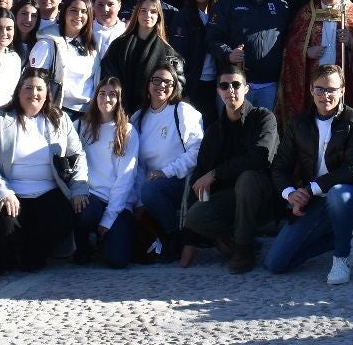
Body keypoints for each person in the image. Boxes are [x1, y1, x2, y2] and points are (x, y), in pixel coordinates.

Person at [0, 68, 89, 275]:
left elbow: (77, 154)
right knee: (4, 226)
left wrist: (79, 188)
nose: (34, 93)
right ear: (18, 92)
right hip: (9, 192)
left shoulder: (60, 119)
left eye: (39, 89)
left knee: (62, 216)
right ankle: (7, 256)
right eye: (28, 88)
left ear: (47, 94)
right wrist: (3, 191)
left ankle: (32, 254)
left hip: (48, 191)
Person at [265, 64, 353, 284]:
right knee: (276, 263)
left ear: (342, 90)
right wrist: (290, 194)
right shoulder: (298, 124)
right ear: (311, 90)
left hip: (350, 193)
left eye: (331, 89)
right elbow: (279, 166)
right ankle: (340, 235)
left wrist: (312, 188)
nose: (325, 95)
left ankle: (341, 258)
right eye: (320, 89)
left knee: (337, 194)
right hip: (314, 199)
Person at [180, 64, 278, 273]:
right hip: (229, 199)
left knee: (247, 178)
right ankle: (230, 237)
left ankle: (243, 248)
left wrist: (216, 174)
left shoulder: (263, 118)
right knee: (195, 215)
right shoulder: (214, 131)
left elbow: (260, 158)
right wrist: (190, 241)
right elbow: (200, 179)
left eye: (235, 84)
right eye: (224, 86)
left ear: (246, 88)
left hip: (264, 197)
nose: (230, 90)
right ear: (218, 91)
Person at [132, 63, 204, 262]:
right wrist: (138, 199)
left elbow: (196, 151)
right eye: (156, 80)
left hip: (181, 180)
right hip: (151, 186)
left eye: (167, 82)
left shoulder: (182, 111)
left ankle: (174, 235)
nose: (161, 85)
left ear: (174, 87)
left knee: (150, 190)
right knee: (145, 192)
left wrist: (166, 172)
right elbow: (136, 164)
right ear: (148, 84)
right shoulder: (138, 118)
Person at [206, 0, 291, 112]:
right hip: (234, 83)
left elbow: (291, 39)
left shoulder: (280, 6)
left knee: (263, 132)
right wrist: (228, 54)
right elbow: (212, 38)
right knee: (232, 131)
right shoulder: (227, 4)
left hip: (269, 84)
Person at [74, 78, 138, 268]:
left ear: (119, 99)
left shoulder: (127, 130)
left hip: (118, 202)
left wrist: (109, 218)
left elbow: (126, 177)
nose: (106, 99)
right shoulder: (80, 126)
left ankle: (105, 238)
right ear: (95, 96)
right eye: (102, 93)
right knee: (83, 213)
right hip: (91, 196)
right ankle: (83, 244)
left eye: (112, 94)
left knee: (117, 261)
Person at [101, 0, 180, 116]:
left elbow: (171, 86)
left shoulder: (167, 52)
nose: (147, 15)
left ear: (159, 15)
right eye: (143, 10)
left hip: (151, 113)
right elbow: (109, 78)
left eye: (153, 11)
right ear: (136, 13)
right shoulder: (118, 45)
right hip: (119, 111)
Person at [29, 0, 99, 119]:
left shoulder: (91, 45)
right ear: (64, 13)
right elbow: (35, 80)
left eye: (84, 12)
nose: (78, 15)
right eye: (73, 10)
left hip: (87, 114)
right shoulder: (47, 43)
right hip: (58, 111)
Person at [168, 0, 220, 125]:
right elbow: (177, 56)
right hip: (193, 83)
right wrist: (183, 91)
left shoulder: (219, 15)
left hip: (215, 82)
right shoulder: (182, 17)